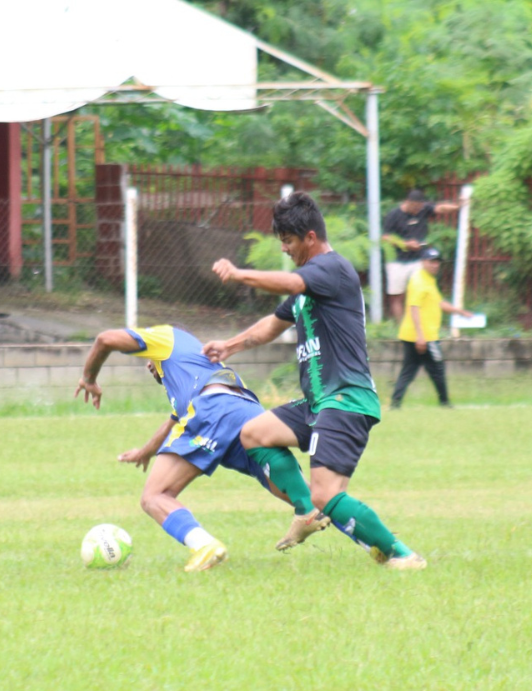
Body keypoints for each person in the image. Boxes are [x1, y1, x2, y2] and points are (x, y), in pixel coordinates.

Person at [204, 191, 428, 570]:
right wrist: (230, 345)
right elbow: (272, 324)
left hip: (345, 400)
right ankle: (307, 510)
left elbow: (290, 283)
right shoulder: (309, 286)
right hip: (318, 402)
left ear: (310, 237)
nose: (285, 249)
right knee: (254, 433)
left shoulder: (331, 269)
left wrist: (239, 274)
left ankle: (402, 555)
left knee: (328, 494)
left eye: (288, 241)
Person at [75, 323, 330, 573]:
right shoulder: (193, 370)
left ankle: (204, 546)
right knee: (312, 502)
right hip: (247, 413)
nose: (148, 366)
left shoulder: (167, 337)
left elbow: (105, 339)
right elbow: (175, 420)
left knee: (155, 496)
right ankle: (354, 527)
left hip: (213, 409)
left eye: (148, 359)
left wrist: (89, 379)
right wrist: (145, 452)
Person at [390, 246, 474, 408]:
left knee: (410, 370)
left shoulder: (428, 279)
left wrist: (460, 312)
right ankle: (444, 403)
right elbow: (414, 308)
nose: (435, 265)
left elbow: (439, 303)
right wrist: (420, 337)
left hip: (414, 335)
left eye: (437, 262)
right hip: (424, 337)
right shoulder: (419, 281)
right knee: (437, 369)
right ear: (423, 262)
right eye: (431, 262)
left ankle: (395, 403)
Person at [381, 189, 464, 323]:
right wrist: (405, 244)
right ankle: (400, 325)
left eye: (420, 207)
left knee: (422, 291)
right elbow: (385, 237)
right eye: (415, 207)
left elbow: (440, 208)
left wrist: (457, 206)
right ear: (408, 202)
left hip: (418, 260)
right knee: (397, 295)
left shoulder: (422, 209)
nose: (418, 210)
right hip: (397, 261)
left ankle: (420, 322)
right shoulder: (394, 215)